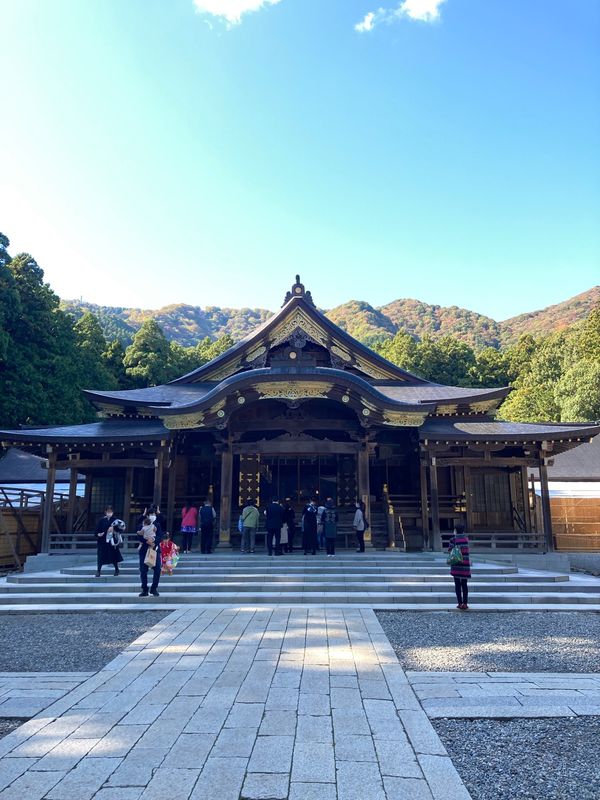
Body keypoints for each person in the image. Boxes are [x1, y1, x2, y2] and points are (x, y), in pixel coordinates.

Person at [136, 506, 163, 597]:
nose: (152, 515)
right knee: (143, 570)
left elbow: (160, 536)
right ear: (147, 515)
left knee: (157, 570)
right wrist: (147, 541)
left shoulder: (157, 525)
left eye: (154, 514)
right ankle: (144, 589)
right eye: (151, 514)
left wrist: (154, 541)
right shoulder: (142, 524)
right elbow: (139, 535)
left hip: (155, 550)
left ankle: (154, 588)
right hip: (144, 550)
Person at [95, 506, 124, 577]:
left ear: (113, 512)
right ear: (105, 512)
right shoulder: (101, 520)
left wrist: (114, 529)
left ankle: (116, 569)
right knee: (101, 556)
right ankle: (98, 571)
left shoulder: (115, 520)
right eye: (108, 511)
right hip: (103, 540)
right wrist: (99, 534)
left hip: (112, 540)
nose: (109, 513)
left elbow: (121, 529)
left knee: (114, 555)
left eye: (110, 511)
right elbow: (96, 530)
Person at [448, 523, 471, 610]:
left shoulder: (453, 539)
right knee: (464, 584)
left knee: (457, 584)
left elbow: (450, 550)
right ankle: (465, 603)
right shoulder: (466, 539)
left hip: (456, 564)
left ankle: (459, 603)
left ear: (456, 530)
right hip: (465, 564)